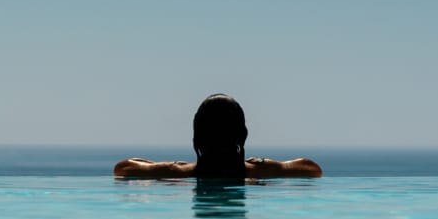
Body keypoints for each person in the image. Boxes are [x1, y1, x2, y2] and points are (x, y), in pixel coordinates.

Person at [113, 94, 323, 179]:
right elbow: (312, 169)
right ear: (242, 135)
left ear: (197, 138)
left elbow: (122, 168)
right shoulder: (260, 171)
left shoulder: (180, 174)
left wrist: (171, 166)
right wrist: (261, 163)